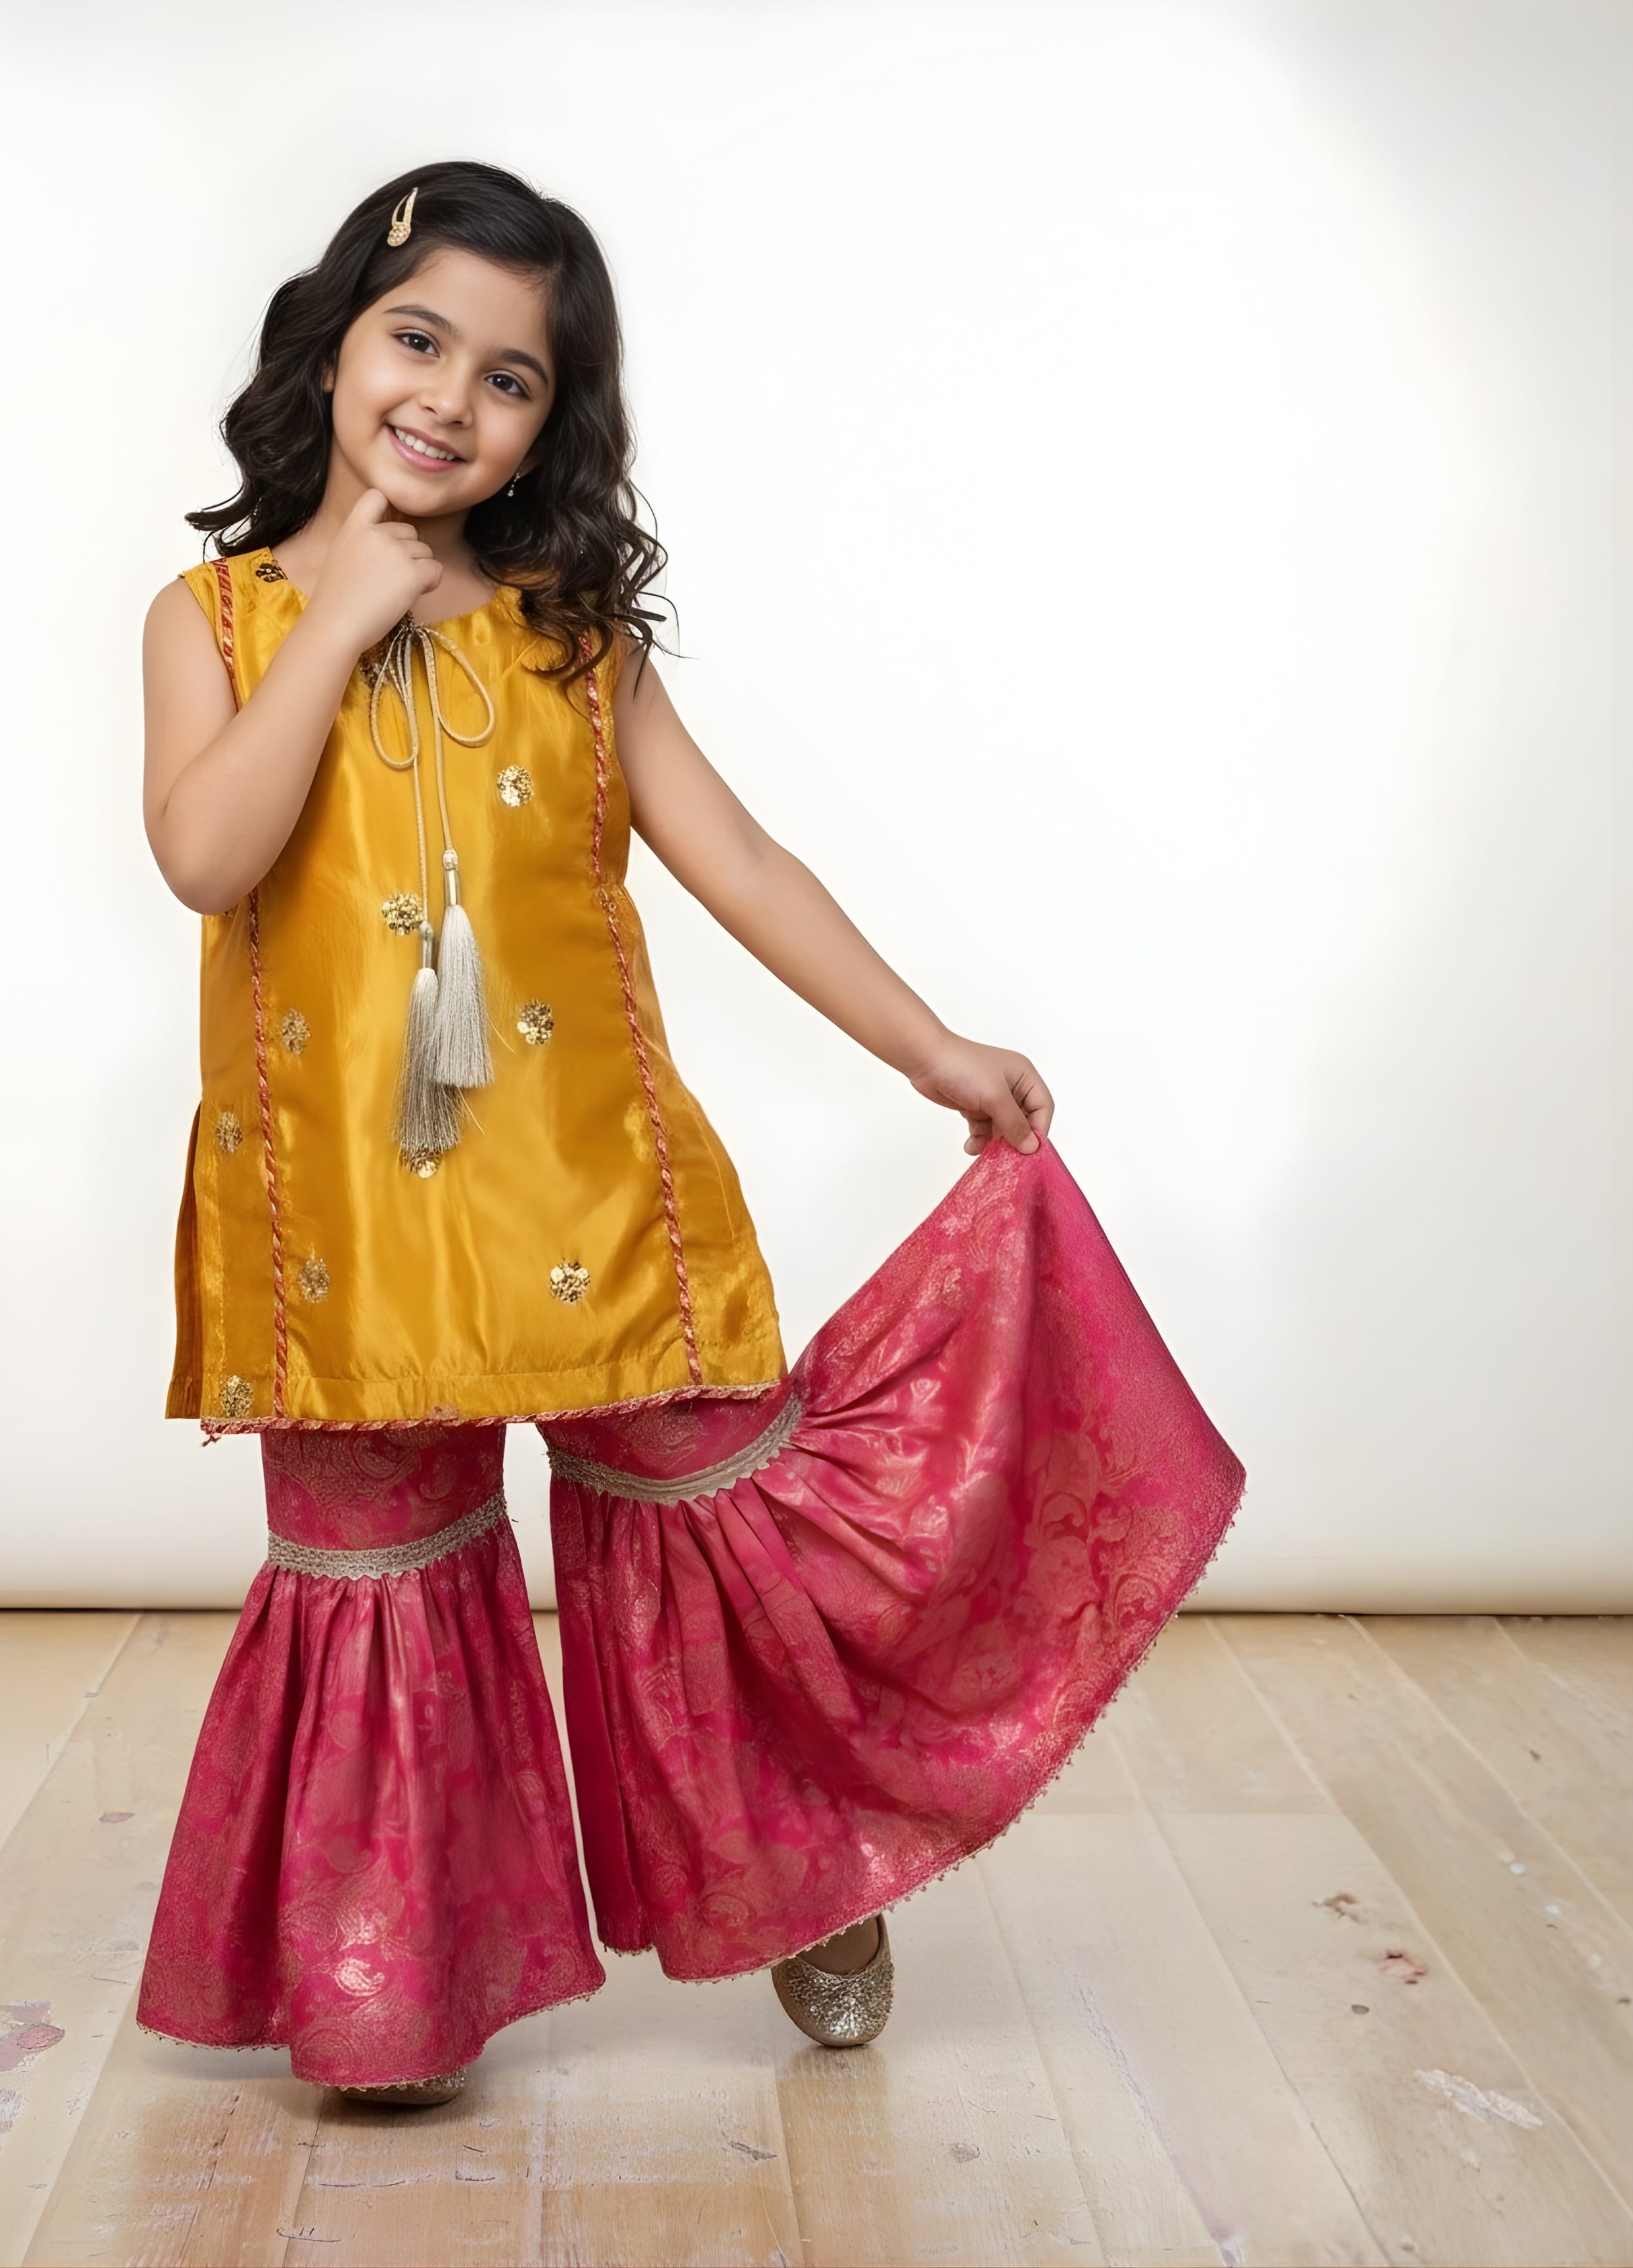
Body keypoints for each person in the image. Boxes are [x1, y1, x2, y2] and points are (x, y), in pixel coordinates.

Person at [134, 161, 1242, 2106]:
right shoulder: (210, 618)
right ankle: (390, 1985)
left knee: (716, 1532)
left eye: (511, 378)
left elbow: (738, 861)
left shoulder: (573, 638)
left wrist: (929, 1047)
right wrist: (341, 617)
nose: (451, 399)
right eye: (417, 341)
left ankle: (813, 1861)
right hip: (345, 1225)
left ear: (552, 423)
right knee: (374, 1565)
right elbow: (207, 856)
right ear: (329, 347)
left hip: (593, 1193)